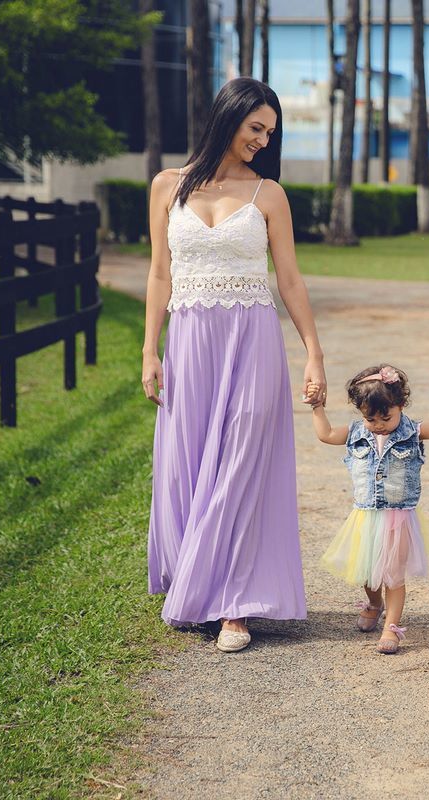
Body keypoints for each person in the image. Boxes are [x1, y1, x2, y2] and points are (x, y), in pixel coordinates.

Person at [142, 77, 327, 653]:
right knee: (189, 463)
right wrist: (149, 349)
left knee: (243, 461)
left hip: (252, 340)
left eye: (270, 133)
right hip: (189, 342)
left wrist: (313, 352)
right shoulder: (167, 186)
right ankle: (197, 582)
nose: (263, 141)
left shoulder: (269, 195)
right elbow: (159, 273)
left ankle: (235, 605)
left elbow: (289, 280)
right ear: (228, 118)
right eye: (256, 128)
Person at [310, 365, 429, 654]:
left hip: (398, 518)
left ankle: (392, 626)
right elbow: (325, 434)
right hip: (365, 516)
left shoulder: (413, 432)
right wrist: (317, 406)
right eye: (370, 418)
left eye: (386, 417)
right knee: (368, 571)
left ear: (400, 405)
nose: (378, 424)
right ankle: (374, 603)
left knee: (393, 574)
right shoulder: (355, 432)